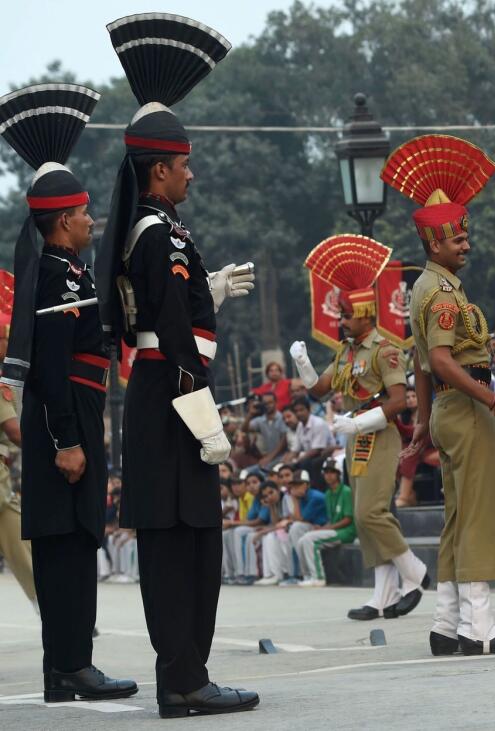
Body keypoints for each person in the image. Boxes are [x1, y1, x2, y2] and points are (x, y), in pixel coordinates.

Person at [94, 14, 258, 717]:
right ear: (159, 169)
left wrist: (207, 289)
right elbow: (166, 332)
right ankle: (185, 680)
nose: (191, 171)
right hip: (171, 400)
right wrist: (202, 410)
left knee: (190, 540)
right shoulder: (157, 233)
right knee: (180, 545)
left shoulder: (163, 232)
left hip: (165, 396)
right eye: (184, 162)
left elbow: (166, 312)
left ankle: (187, 676)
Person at [0, 81, 138, 703]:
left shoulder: (66, 270)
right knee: (70, 546)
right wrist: (66, 439)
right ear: (62, 221)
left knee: (72, 542)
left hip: (75, 411)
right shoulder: (57, 275)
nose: (91, 221)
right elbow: (53, 365)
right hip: (67, 415)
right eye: (83, 214)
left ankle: (65, 668)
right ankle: (72, 666)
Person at [387, 134, 495, 656]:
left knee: (455, 517)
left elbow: (421, 363)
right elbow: (444, 359)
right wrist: (493, 402)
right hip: (468, 408)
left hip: (448, 409)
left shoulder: (424, 288)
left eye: (465, 237)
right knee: (476, 515)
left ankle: (446, 623)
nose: (466, 244)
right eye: (457, 239)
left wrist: (424, 420)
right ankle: (481, 628)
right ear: (434, 243)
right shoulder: (443, 292)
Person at [290, 233, 428, 621]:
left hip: (379, 434)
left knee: (371, 513)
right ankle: (382, 596)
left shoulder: (385, 350)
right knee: (366, 513)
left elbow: (400, 400)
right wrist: (302, 362)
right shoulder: (347, 352)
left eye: (347, 315)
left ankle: (415, 574)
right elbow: (319, 389)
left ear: (366, 314)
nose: (342, 321)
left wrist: (360, 421)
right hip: (356, 438)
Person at [0, 270, 35, 612]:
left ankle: (47, 603)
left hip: (3, 482)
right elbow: (13, 430)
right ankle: (48, 604)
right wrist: (44, 446)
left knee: (21, 547)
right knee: (21, 546)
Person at [294, 460, 356, 587]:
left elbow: (348, 519)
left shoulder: (346, 491)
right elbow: (331, 518)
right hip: (335, 530)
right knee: (301, 541)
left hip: (347, 531)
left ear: (338, 474)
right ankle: (308, 576)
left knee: (309, 539)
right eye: (326, 472)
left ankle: (318, 577)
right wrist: (322, 528)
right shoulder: (328, 494)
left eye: (332, 472)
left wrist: (327, 528)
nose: (328, 475)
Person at [262, 470, 326, 586]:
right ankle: (302, 574)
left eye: (299, 484)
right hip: (311, 527)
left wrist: (295, 499)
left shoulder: (315, 497)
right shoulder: (303, 496)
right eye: (294, 485)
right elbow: (298, 518)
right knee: (293, 530)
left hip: (323, 527)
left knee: (296, 528)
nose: (295, 488)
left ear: (306, 485)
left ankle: (303, 574)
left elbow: (299, 518)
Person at [292, 399, 336, 480]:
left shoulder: (318, 423)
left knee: (306, 464)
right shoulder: (300, 426)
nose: (299, 413)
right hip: (311, 456)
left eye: (301, 410)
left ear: (308, 410)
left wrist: (297, 460)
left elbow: (316, 450)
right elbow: (295, 450)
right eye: (296, 411)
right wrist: (287, 462)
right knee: (291, 466)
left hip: (327, 454)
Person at [245, 392, 287, 469]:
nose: (267, 405)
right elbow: (244, 429)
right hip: (268, 458)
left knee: (265, 469)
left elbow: (283, 441)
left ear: (275, 402)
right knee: (246, 472)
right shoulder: (261, 420)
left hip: (282, 457)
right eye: (265, 403)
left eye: (270, 402)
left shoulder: (282, 417)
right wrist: (250, 414)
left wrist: (269, 458)